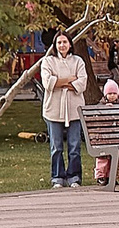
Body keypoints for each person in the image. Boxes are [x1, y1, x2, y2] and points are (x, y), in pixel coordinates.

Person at [38, 32, 89, 188]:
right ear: (55, 45)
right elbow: (48, 83)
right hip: (54, 110)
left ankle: (74, 177)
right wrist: (69, 80)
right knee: (56, 147)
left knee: (74, 146)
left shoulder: (78, 61)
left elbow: (82, 83)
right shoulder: (48, 62)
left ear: (70, 44)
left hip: (74, 109)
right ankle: (57, 177)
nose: (62, 45)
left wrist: (60, 82)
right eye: (59, 42)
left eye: (65, 42)